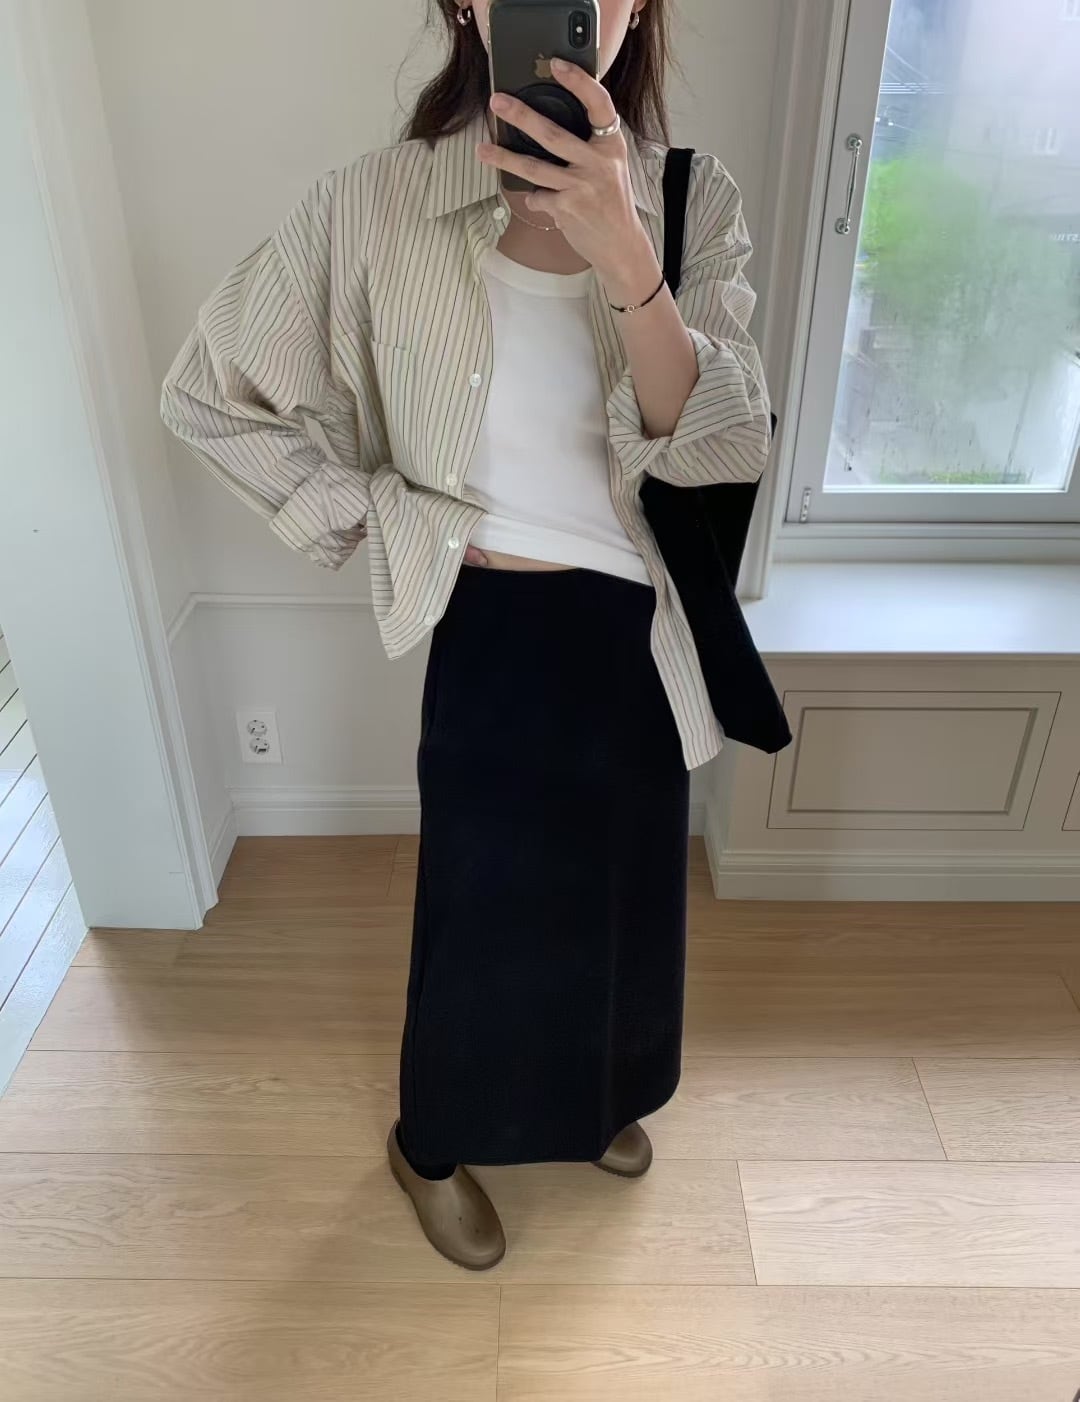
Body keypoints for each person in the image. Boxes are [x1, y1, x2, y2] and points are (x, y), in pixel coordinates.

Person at [159, 0, 771, 1273]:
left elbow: (717, 447)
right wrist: (379, 517)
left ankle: (595, 1101)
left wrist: (629, 259)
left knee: (625, 910)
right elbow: (209, 395)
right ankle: (431, 1143)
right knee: (479, 919)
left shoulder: (689, 198)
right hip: (491, 624)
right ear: (462, 3)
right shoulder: (371, 204)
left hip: (639, 629)